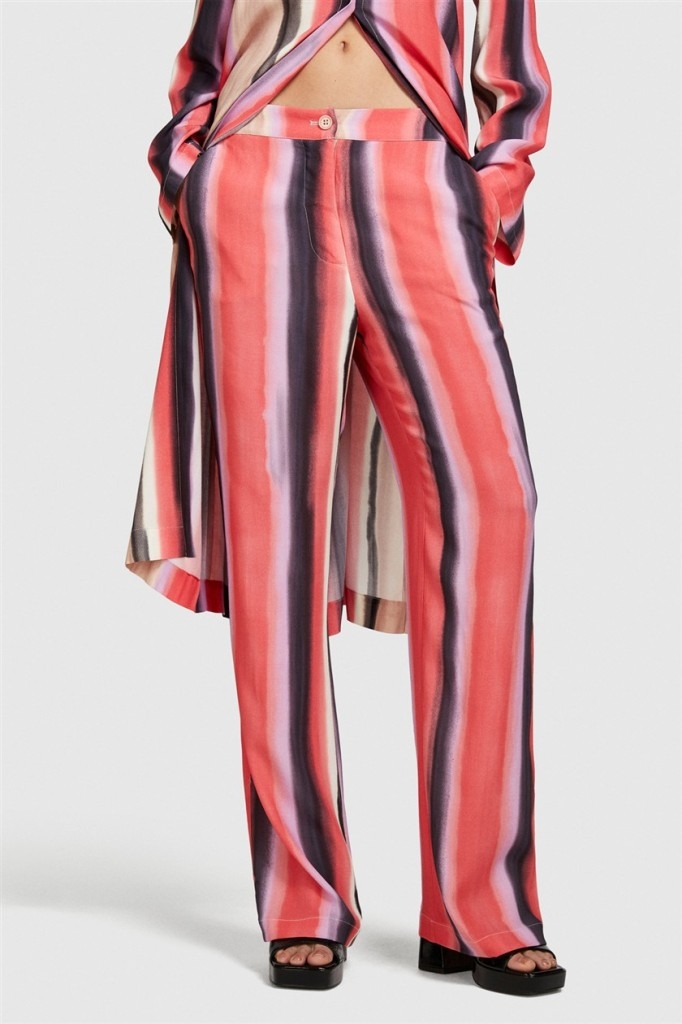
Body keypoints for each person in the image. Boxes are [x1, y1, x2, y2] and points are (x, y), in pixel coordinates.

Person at [125, 0, 566, 996]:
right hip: (257, 179)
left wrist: (486, 192)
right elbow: (208, 56)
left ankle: (480, 903)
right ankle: (302, 898)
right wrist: (192, 179)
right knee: (273, 527)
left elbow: (511, 74)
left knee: (492, 505)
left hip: (421, 180)